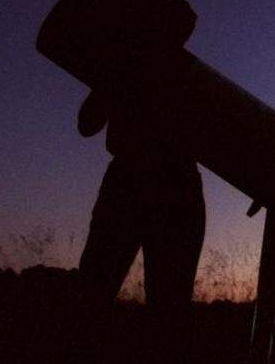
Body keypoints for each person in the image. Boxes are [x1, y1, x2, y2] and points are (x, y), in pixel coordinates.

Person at [76, 87, 205, 319]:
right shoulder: (127, 66)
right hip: (136, 185)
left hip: (167, 188)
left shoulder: (192, 79)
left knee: (169, 308)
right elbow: (87, 123)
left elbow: (87, 123)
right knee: (93, 293)